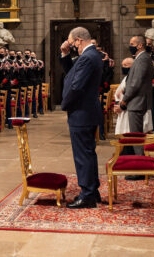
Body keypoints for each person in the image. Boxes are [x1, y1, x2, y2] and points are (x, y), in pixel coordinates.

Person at [60, 27, 104, 209]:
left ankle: (87, 195)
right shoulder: (92, 55)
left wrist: (65, 104)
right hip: (87, 111)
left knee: (82, 155)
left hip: (82, 112)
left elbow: (76, 86)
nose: (72, 47)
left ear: (79, 40)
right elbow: (72, 74)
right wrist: (64, 55)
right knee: (88, 152)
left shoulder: (87, 56)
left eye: (72, 44)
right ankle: (92, 190)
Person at [119, 36, 153, 166]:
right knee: (135, 136)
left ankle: (140, 166)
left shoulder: (143, 59)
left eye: (132, 43)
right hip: (137, 102)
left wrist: (124, 100)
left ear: (140, 45)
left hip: (137, 103)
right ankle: (139, 164)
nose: (130, 46)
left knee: (136, 137)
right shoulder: (141, 58)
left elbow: (135, 84)